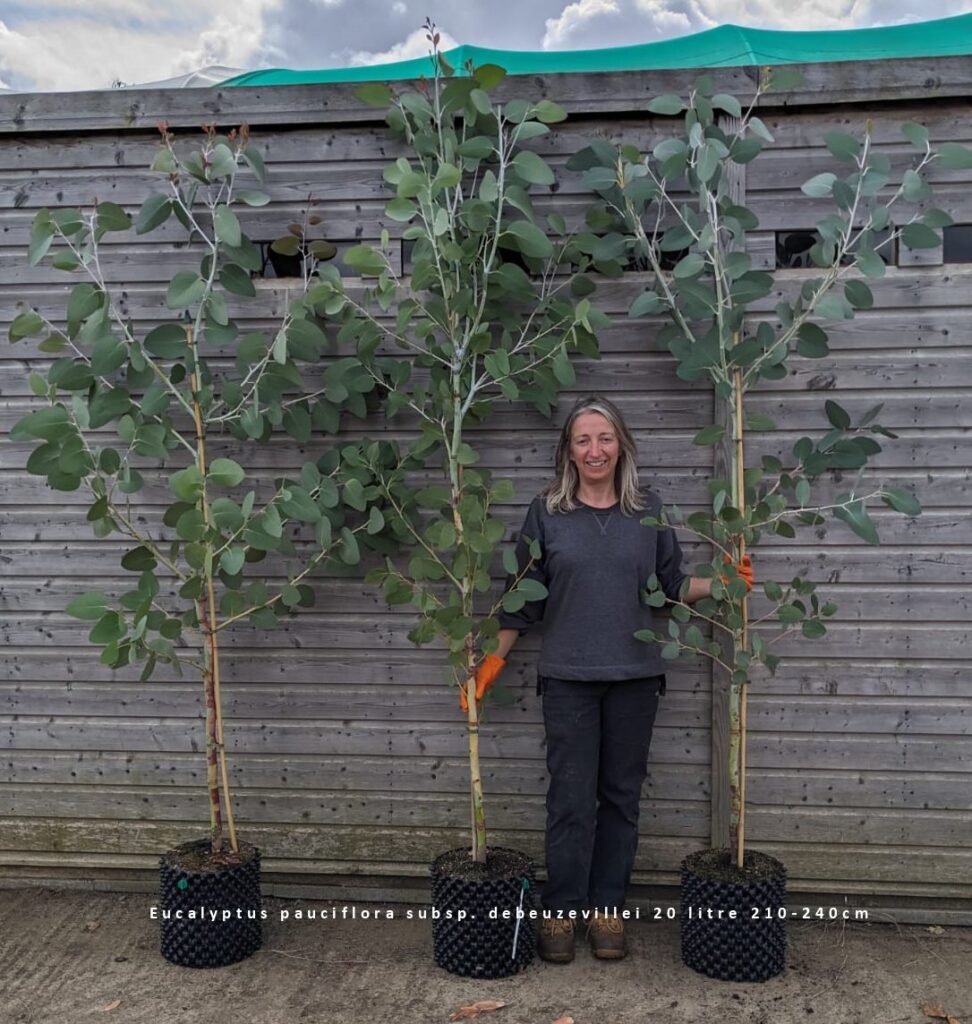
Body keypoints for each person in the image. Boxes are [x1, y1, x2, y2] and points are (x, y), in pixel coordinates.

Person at [463, 395, 752, 964]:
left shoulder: (648, 509)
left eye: (604, 438)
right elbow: (522, 603)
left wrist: (721, 584)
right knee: (569, 801)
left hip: (636, 679)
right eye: (582, 440)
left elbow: (667, 588)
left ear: (622, 444)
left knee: (620, 800)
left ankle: (607, 911)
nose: (595, 450)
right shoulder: (546, 513)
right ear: (568, 452)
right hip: (568, 680)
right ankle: (560, 912)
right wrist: (488, 666)